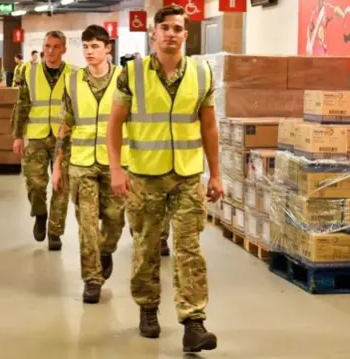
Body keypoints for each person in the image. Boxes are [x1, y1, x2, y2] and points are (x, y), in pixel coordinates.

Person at [106, 4, 222, 353]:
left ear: (185, 35)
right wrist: (116, 168)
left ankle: (194, 322)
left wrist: (215, 173)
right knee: (146, 246)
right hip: (144, 175)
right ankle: (148, 307)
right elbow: (114, 125)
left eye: (177, 28)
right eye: (165, 28)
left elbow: (209, 126)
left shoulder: (201, 73)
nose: (171, 33)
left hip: (187, 176)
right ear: (153, 34)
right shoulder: (132, 74)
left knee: (189, 248)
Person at [51, 25, 127, 304]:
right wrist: (58, 166)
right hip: (81, 165)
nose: (89, 52)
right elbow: (65, 124)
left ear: (108, 48)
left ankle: (105, 252)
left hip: (116, 164)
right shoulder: (73, 81)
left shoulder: (125, 79)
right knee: (86, 227)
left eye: (95, 46)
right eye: (85, 46)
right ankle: (92, 280)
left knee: (115, 221)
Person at [12, 31, 74, 251]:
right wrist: (18, 135)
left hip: (63, 137)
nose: (50, 50)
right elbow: (21, 105)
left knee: (61, 186)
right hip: (36, 135)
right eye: (47, 46)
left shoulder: (74, 74)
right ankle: (40, 213)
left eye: (56, 46)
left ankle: (55, 231)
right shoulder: (29, 71)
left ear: (64, 49)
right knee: (35, 184)